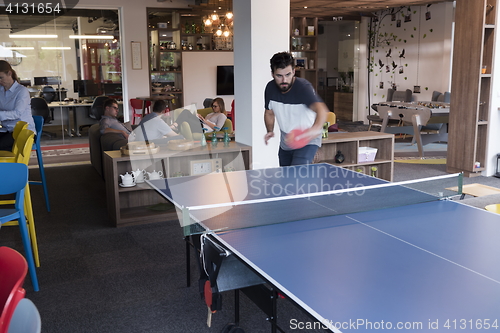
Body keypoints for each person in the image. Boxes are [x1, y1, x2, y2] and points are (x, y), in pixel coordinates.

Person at [264, 52, 328, 166]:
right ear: (272, 74)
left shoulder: (303, 88)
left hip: (307, 138)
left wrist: (314, 130)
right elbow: (269, 113)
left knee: (297, 173)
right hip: (287, 139)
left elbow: (321, 110)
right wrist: (270, 131)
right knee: (286, 176)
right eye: (279, 76)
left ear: (293, 71)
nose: (284, 80)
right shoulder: (270, 89)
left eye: (288, 74)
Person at [0, 60, 36, 151]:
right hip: (7, 129)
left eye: (1, 77)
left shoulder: (21, 91)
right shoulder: (0, 90)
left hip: (23, 131)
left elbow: (17, 113)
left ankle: (10, 164)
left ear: (9, 73)